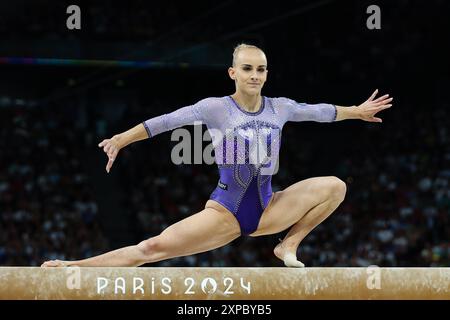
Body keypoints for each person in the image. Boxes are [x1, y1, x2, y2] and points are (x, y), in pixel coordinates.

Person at [41, 43, 392, 268]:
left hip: (270, 208)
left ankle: (288, 246)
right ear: (233, 73)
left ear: (267, 73)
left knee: (335, 186)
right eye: (248, 69)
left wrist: (356, 111)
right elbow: (166, 122)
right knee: (150, 249)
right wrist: (121, 138)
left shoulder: (280, 107)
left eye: (261, 69)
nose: (255, 75)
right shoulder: (215, 108)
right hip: (226, 212)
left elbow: (320, 112)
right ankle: (72, 267)